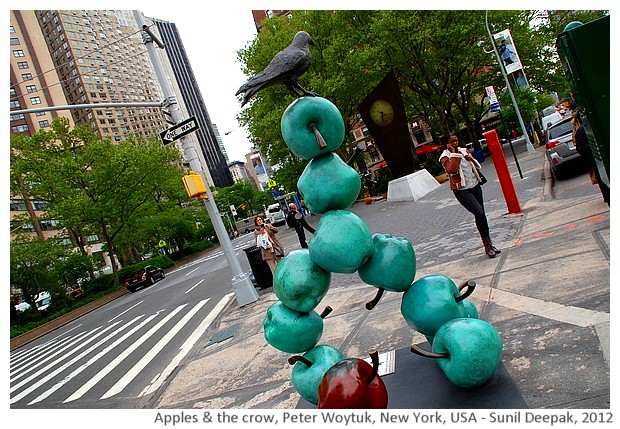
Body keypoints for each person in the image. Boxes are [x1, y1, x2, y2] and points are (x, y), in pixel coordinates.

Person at [439, 133, 501, 258]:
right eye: (452, 142)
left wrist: (470, 158)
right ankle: (487, 246)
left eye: (456, 140)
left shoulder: (464, 150)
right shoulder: (445, 157)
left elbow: (477, 166)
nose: (455, 143)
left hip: (475, 186)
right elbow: (453, 170)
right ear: (447, 144)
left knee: (482, 215)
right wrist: (454, 154)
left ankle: (488, 244)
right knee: (478, 213)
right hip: (462, 190)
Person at [572, 113, 610, 206]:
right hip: (596, 161)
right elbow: (580, 148)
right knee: (603, 180)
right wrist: (594, 146)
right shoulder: (582, 131)